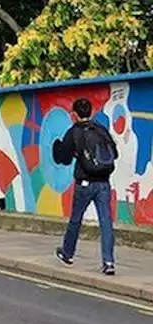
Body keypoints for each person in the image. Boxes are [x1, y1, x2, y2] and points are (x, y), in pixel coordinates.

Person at [53, 98, 118, 275]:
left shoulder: (74, 132)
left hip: (84, 183)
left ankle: (67, 253)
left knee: (76, 219)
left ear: (74, 114)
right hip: (104, 182)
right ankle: (109, 261)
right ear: (91, 111)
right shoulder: (100, 129)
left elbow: (63, 159)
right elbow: (115, 153)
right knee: (106, 222)